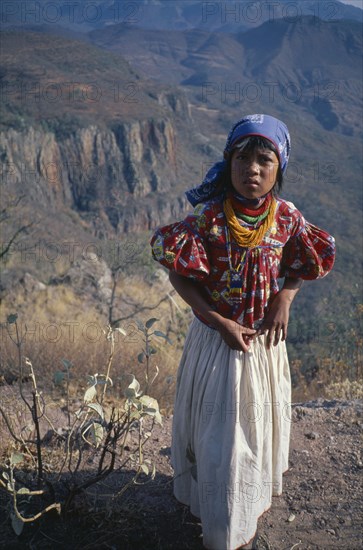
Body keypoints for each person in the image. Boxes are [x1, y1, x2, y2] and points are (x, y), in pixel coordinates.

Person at [150, 114, 335, 549]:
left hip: (262, 347)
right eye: (242, 158)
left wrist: (285, 299)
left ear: (279, 168)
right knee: (221, 444)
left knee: (249, 436)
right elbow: (179, 275)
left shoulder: (287, 218)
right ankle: (224, 530)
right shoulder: (210, 218)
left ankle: (236, 516)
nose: (252, 169)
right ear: (229, 161)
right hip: (217, 345)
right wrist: (217, 321)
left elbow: (301, 266)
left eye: (264, 160)